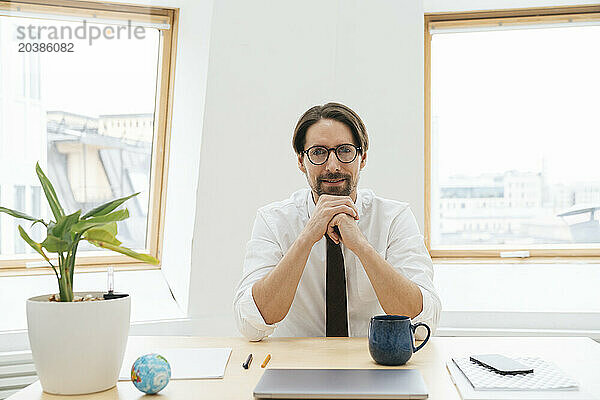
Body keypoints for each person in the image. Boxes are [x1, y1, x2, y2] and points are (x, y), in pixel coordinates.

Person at [233, 102, 441, 341]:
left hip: (374, 364)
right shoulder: (273, 220)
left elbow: (423, 322)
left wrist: (361, 246)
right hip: (298, 366)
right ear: (302, 161)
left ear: (361, 158)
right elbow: (250, 325)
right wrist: (308, 235)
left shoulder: (394, 218)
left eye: (344, 150)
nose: (332, 166)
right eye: (319, 152)